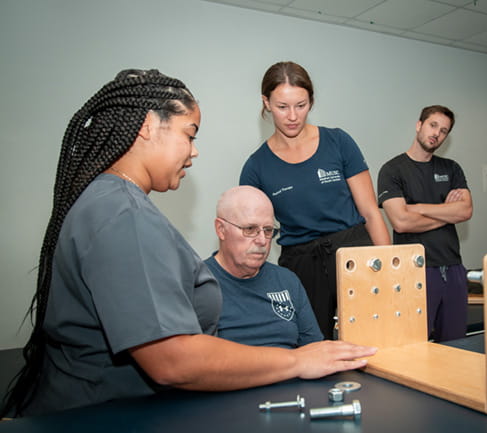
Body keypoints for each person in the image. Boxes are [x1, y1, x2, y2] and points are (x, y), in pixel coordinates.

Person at [0, 69, 376, 418]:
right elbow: (173, 360)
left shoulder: (108, 199)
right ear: (149, 126)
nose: (194, 151)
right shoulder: (122, 213)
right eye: (189, 134)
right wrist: (298, 361)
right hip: (103, 412)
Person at [239, 61, 390, 340]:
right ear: (266, 103)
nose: (293, 116)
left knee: (373, 340)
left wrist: (392, 271)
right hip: (301, 265)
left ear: (311, 101)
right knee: (312, 347)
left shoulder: (338, 142)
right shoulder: (256, 167)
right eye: (283, 106)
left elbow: (370, 211)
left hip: (354, 253)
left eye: (301, 105)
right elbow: (251, 235)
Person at [377, 105, 473, 342]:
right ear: (419, 125)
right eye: (433, 125)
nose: (437, 134)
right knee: (413, 345)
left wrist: (418, 208)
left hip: (453, 269)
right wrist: (446, 212)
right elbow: (401, 222)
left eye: (444, 131)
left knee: (456, 346)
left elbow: (465, 211)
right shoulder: (392, 170)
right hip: (415, 270)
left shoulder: (451, 168)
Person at [204, 185, 323, 348]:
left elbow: (314, 349)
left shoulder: (287, 280)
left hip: (294, 371)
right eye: (250, 229)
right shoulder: (198, 284)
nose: (262, 240)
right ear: (221, 229)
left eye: (268, 230)